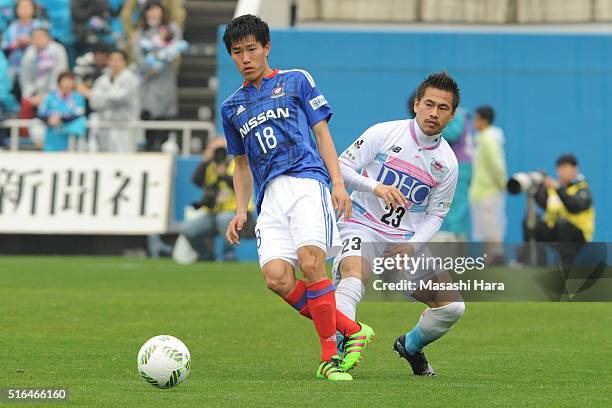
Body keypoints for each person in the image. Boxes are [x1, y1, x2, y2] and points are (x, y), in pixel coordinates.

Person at [220, 14, 373, 381]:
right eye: (237, 52)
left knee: (310, 263)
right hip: (269, 196)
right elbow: (241, 164)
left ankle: (329, 356)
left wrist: (337, 182)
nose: (245, 57)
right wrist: (240, 209)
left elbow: (322, 133)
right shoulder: (231, 107)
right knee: (276, 278)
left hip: (307, 182)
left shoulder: (296, 80)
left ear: (267, 47)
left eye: (252, 49)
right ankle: (353, 330)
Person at [333, 72, 463, 376]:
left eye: (443, 108)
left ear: (452, 114)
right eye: (429, 104)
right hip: (361, 224)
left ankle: (411, 346)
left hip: (403, 240)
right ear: (416, 104)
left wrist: (412, 245)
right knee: (353, 276)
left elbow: (436, 214)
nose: (434, 113)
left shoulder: (448, 163)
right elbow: (341, 166)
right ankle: (338, 351)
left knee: (452, 307)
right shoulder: (384, 133)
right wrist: (374, 187)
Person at [408, 92, 472, 241]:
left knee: (453, 208)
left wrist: (425, 128)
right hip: (460, 165)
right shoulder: (463, 114)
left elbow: (453, 133)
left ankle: (453, 250)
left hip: (458, 166)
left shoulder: (458, 115)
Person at [132, 1, 187, 151]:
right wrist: (149, 67)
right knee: (147, 111)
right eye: (149, 10)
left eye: (156, 9)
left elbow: (176, 48)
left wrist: (161, 62)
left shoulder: (171, 28)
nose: (153, 13)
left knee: (164, 111)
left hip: (165, 77)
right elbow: (137, 53)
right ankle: (148, 145)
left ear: (162, 11)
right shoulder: (141, 31)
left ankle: (161, 144)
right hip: (147, 79)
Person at [180, 138, 246, 261]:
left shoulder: (235, 163)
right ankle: (206, 255)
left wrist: (224, 175)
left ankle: (229, 255)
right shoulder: (210, 166)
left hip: (235, 214)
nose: (219, 153)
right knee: (187, 228)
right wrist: (205, 161)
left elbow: (240, 185)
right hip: (213, 214)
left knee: (223, 219)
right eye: (215, 150)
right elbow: (196, 181)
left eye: (222, 149)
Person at [525, 154, 595, 266]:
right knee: (532, 222)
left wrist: (558, 188)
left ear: (575, 169)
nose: (561, 171)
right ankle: (537, 264)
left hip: (578, 236)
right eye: (559, 168)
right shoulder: (554, 189)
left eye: (564, 167)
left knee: (562, 224)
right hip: (556, 231)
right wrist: (537, 187)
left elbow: (575, 206)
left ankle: (566, 267)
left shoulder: (582, 189)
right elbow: (543, 202)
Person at [78, 49, 141, 152]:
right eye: (112, 60)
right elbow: (94, 103)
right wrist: (95, 96)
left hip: (125, 125)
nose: (114, 63)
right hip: (105, 125)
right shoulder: (101, 80)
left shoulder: (130, 78)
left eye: (118, 60)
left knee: (125, 157)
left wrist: (92, 94)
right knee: (105, 157)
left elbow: (120, 98)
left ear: (124, 62)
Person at [469, 105, 507, 261]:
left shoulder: (489, 139)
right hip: (481, 191)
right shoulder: (481, 139)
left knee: (492, 228)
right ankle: (489, 259)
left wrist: (501, 184)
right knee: (487, 229)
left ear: (484, 120)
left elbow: (497, 165)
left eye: (476, 119)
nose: (474, 122)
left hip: (490, 192)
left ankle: (495, 258)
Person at [37, 71, 87, 151]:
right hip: (52, 135)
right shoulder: (50, 96)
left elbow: (78, 114)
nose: (67, 83)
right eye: (65, 80)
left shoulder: (78, 97)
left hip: (70, 137)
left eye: (70, 80)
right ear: (59, 82)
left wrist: (60, 118)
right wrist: (49, 118)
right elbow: (41, 113)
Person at [1, 0, 43, 82]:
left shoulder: (39, 25)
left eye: (27, 7)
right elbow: (4, 45)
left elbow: (46, 44)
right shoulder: (12, 28)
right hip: (15, 65)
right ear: (16, 10)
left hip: (36, 65)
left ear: (33, 9)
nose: (24, 10)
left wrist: (31, 41)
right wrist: (15, 44)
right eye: (22, 7)